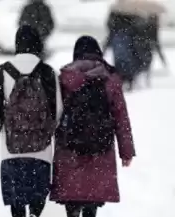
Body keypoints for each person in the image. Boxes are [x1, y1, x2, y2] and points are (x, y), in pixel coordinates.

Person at [50, 36, 136, 217]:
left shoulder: (65, 78)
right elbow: (121, 119)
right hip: (100, 151)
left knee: (72, 201)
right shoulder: (110, 79)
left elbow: (54, 115)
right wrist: (126, 152)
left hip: (70, 152)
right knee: (92, 200)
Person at [0, 25, 62, 217]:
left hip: (11, 149)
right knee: (37, 197)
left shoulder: (1, 72)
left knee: (17, 199)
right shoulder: (48, 73)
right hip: (41, 149)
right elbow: (58, 110)